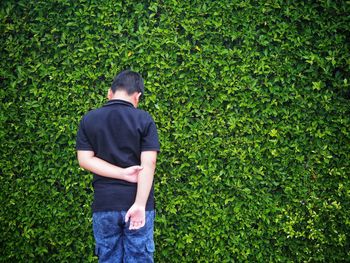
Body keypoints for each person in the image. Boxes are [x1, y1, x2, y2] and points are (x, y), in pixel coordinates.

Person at [76, 70, 160, 263]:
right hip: (138, 204)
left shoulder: (89, 119)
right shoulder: (144, 119)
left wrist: (122, 173)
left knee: (108, 257)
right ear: (137, 96)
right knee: (139, 257)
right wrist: (139, 204)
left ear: (109, 93)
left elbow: (85, 160)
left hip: (105, 203)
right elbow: (150, 163)